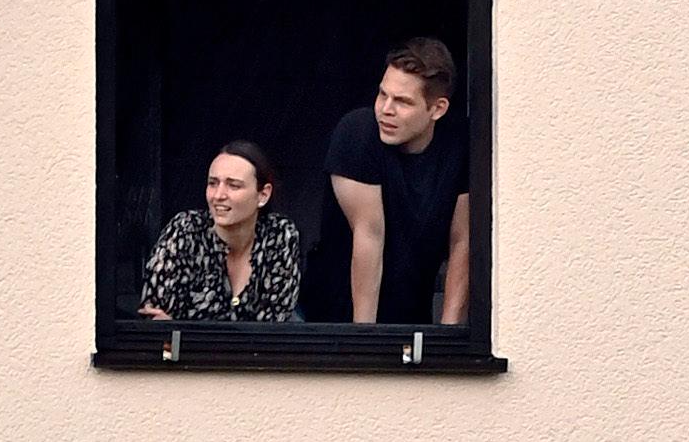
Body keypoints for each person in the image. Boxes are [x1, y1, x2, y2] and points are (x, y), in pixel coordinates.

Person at [327, 34, 475, 333]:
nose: (386, 109)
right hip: (334, 320)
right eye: (383, 95)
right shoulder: (358, 132)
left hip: (413, 320)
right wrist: (364, 340)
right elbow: (369, 235)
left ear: (438, 109)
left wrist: (449, 336)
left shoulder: (459, 145)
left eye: (403, 102)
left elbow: (463, 242)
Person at [137, 135, 304, 326]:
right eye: (212, 183)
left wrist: (186, 335)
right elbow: (155, 327)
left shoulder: (279, 234)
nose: (218, 195)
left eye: (233, 185)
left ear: (263, 195)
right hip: (185, 358)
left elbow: (273, 329)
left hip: (255, 356)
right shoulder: (185, 230)